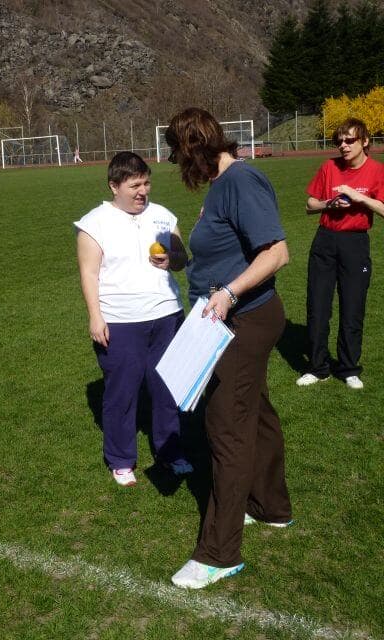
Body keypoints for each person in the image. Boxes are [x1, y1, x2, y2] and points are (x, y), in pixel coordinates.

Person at [164, 107, 292, 589]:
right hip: (228, 317)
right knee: (255, 412)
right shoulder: (223, 186)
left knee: (227, 430)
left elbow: (277, 253)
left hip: (241, 321)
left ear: (193, 148)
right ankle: (271, 505)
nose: (180, 167)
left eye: (179, 156)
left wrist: (229, 293)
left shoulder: (241, 181)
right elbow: (223, 249)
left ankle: (219, 553)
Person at [74, 151, 193, 487]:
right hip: (120, 321)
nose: (143, 191)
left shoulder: (163, 216)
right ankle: (121, 459)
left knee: (167, 387)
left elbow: (182, 258)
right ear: (114, 186)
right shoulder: (94, 223)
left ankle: (170, 452)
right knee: (122, 393)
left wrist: (172, 259)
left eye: (146, 183)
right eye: (135, 185)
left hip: (167, 314)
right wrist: (95, 317)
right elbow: (89, 273)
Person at [296, 118, 384, 390]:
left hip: (355, 244)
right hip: (325, 241)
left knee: (352, 308)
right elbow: (309, 205)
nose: (343, 146)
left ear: (365, 141)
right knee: (318, 307)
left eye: (349, 140)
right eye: (339, 141)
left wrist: (360, 199)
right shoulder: (329, 167)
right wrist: (328, 204)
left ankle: (349, 368)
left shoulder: (376, 171)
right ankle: (318, 367)